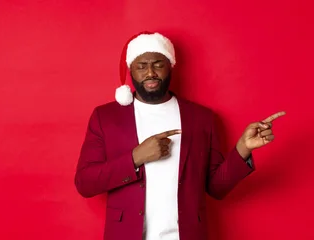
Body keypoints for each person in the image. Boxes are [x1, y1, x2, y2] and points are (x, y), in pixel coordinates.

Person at [73, 31, 285, 240]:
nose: (150, 73)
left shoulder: (201, 118)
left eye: (158, 63)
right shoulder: (106, 117)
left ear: (170, 65)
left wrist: (243, 148)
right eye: (141, 66)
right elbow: (86, 183)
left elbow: (216, 188)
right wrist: (136, 158)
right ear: (131, 70)